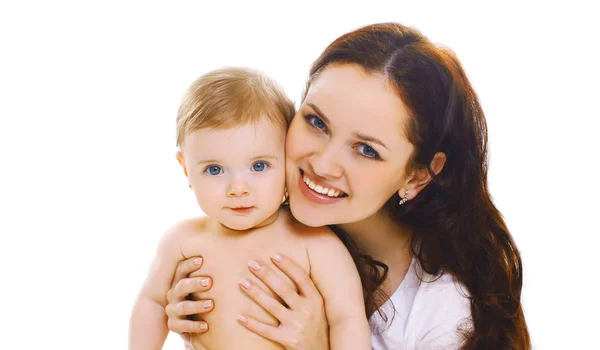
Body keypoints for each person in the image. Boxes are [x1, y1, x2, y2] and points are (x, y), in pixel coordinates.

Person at [164, 23, 531, 349]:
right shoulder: (250, 217)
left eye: (366, 149)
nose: (321, 164)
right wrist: (190, 314)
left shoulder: (442, 314)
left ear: (418, 175)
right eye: (316, 122)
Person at [128, 67, 371, 350]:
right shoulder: (182, 241)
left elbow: (348, 320)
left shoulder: (316, 245)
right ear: (185, 169)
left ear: (285, 158)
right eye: (215, 169)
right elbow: (152, 303)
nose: (238, 188)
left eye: (259, 166)